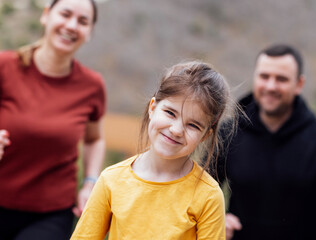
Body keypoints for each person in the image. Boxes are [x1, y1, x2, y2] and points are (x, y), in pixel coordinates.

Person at [71, 61, 238, 239]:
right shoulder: (111, 180)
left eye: (193, 125)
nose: (176, 130)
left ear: (205, 135)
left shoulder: (209, 196)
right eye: (170, 113)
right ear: (152, 108)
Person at [219, 44, 316, 240]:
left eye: (281, 79)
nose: (270, 86)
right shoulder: (229, 132)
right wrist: (216, 220)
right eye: (264, 76)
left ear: (299, 84)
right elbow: (197, 191)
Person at [0, 0, 106, 239]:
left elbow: (94, 139)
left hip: (51, 214)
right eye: (65, 14)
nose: (71, 26)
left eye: (82, 21)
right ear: (46, 15)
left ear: (89, 32)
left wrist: (90, 182)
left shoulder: (92, 86)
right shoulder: (4, 66)